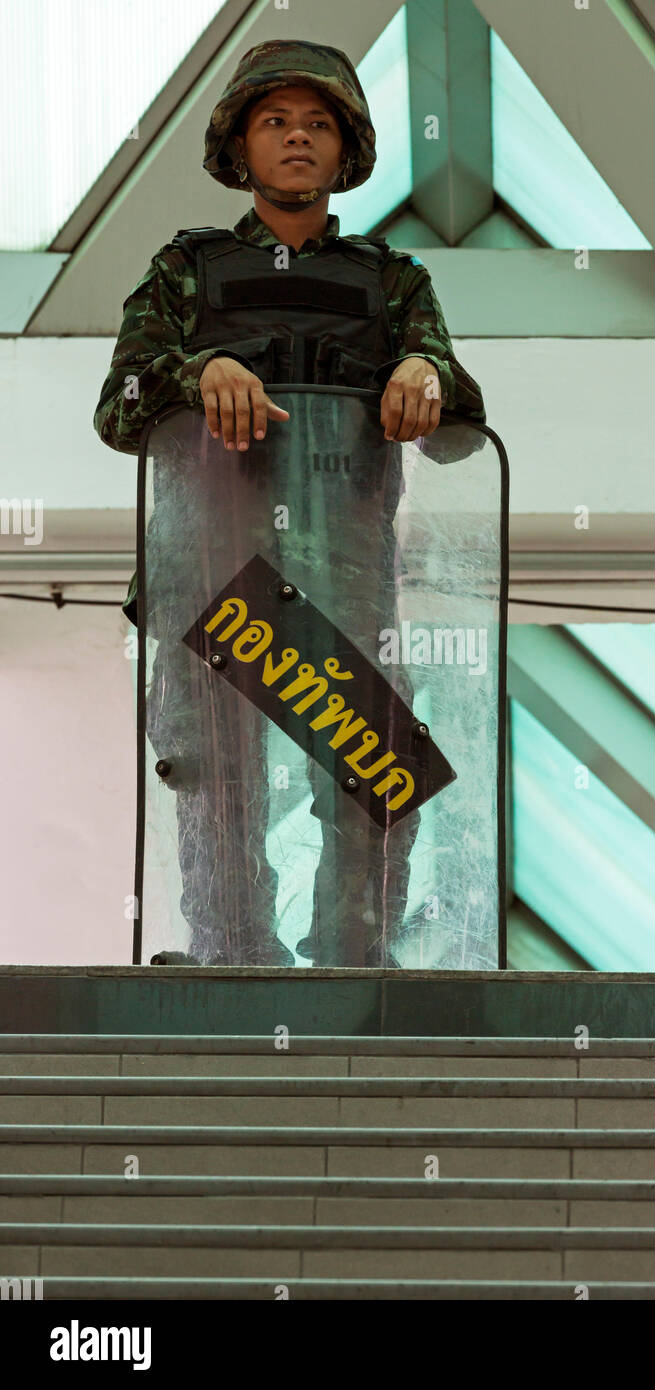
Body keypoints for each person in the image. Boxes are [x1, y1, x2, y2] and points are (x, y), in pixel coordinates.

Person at [93, 40, 487, 968]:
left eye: (317, 124)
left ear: (345, 148)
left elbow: (464, 417)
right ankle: (235, 958)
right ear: (241, 145)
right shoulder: (185, 270)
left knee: (374, 770)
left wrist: (426, 369)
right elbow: (120, 408)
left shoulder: (394, 283)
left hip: (345, 572)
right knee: (215, 774)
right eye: (276, 122)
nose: (298, 139)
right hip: (214, 568)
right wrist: (199, 370)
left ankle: (354, 962)